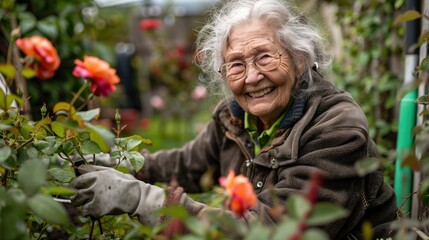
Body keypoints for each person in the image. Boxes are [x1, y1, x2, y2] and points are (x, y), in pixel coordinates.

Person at [70, 0, 398, 239]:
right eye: (236, 65)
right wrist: (119, 164)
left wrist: (140, 199)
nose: (252, 77)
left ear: (299, 59)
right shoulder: (234, 116)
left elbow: (271, 232)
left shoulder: (336, 128)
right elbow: (186, 165)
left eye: (265, 57)